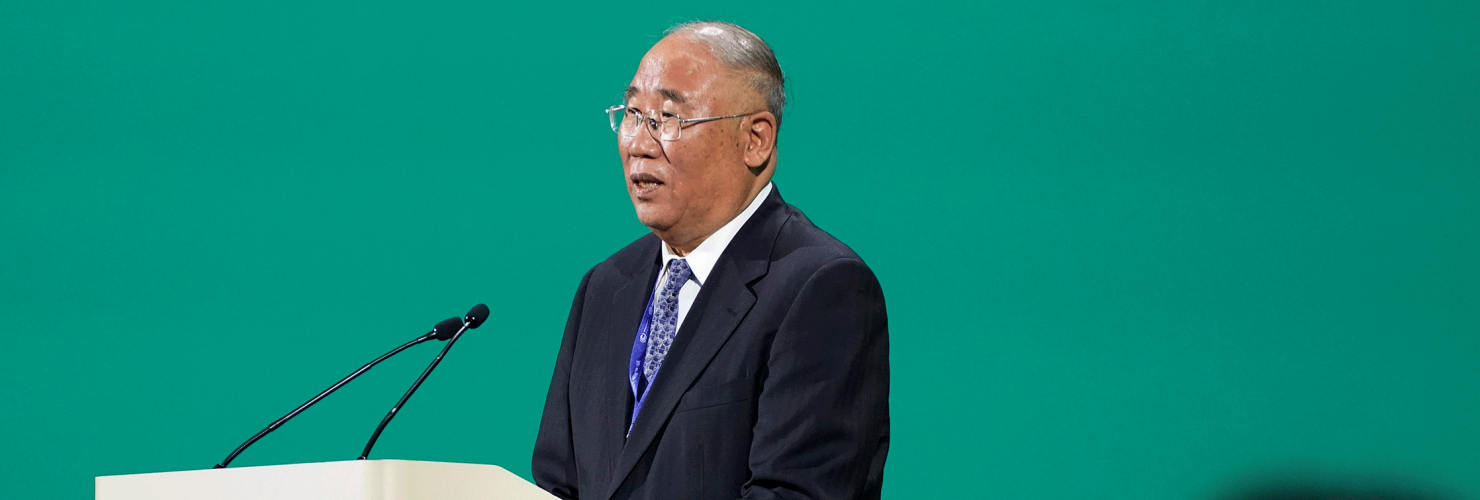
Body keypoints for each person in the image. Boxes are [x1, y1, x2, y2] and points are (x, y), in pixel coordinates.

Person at [532, 21, 889, 500]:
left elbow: (797, 491)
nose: (638, 143)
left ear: (755, 139)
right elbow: (558, 484)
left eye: (667, 119)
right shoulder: (605, 287)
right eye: (633, 113)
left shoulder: (821, 288)